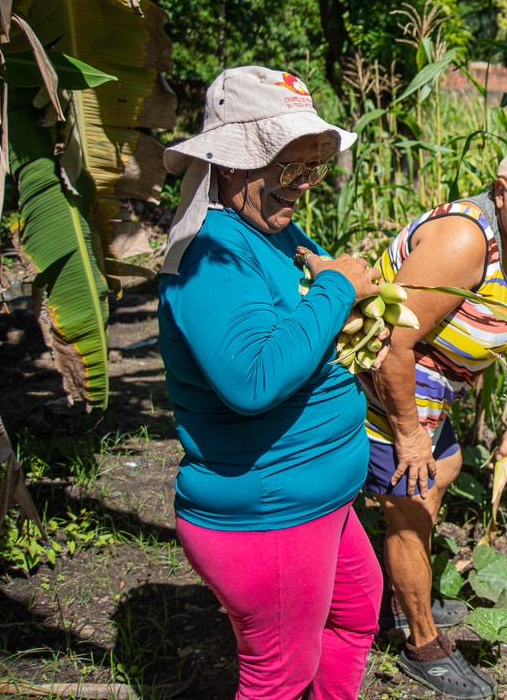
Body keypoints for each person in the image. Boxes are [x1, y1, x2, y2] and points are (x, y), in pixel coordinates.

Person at [158, 66, 385, 699]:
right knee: (279, 678)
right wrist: (341, 288)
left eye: (313, 169)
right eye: (289, 170)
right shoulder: (211, 255)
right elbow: (254, 379)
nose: (304, 188)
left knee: (357, 614)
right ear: (231, 164)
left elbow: (304, 319)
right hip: (271, 511)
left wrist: (354, 309)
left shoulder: (271, 229)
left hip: (318, 499)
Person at [361, 134, 507, 698]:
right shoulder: (465, 241)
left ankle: (394, 593)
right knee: (413, 502)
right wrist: (409, 435)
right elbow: (391, 346)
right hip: (387, 375)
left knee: (442, 474)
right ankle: (422, 643)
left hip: (437, 383)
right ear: (502, 189)